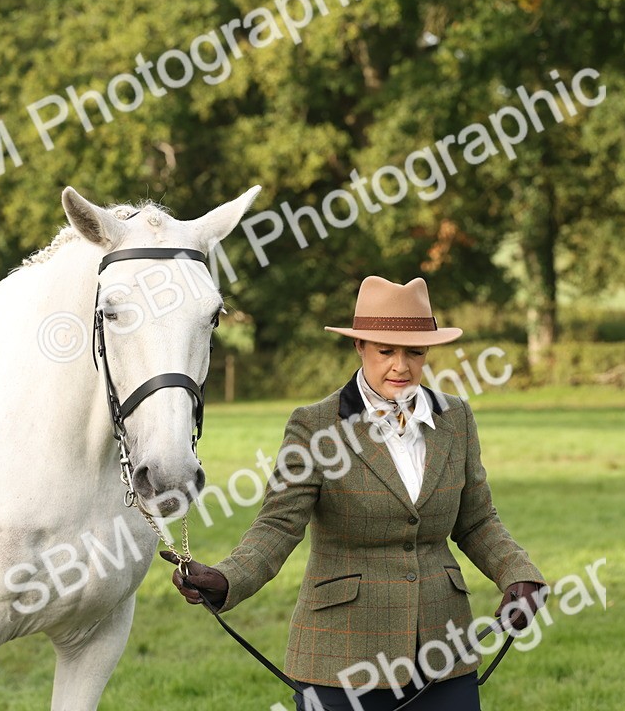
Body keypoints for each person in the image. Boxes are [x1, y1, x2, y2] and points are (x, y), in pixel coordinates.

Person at [163, 276, 546, 711]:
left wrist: (518, 573)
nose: (400, 366)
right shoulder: (315, 426)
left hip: (446, 650)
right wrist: (229, 577)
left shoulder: (456, 418)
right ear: (360, 346)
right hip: (340, 656)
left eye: (414, 352)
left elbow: (477, 520)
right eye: (386, 351)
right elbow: (279, 524)